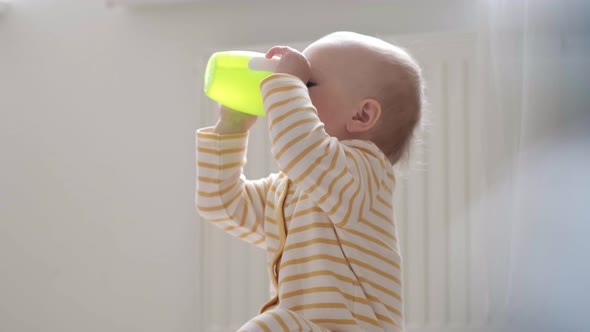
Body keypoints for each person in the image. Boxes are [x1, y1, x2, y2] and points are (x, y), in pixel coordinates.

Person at [196, 31, 423, 331]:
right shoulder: (293, 187)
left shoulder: (364, 174)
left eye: (305, 83)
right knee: (278, 321)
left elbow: (300, 149)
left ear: (362, 114)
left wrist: (283, 84)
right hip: (305, 325)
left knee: (275, 322)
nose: (293, 87)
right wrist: (231, 128)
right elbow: (221, 203)